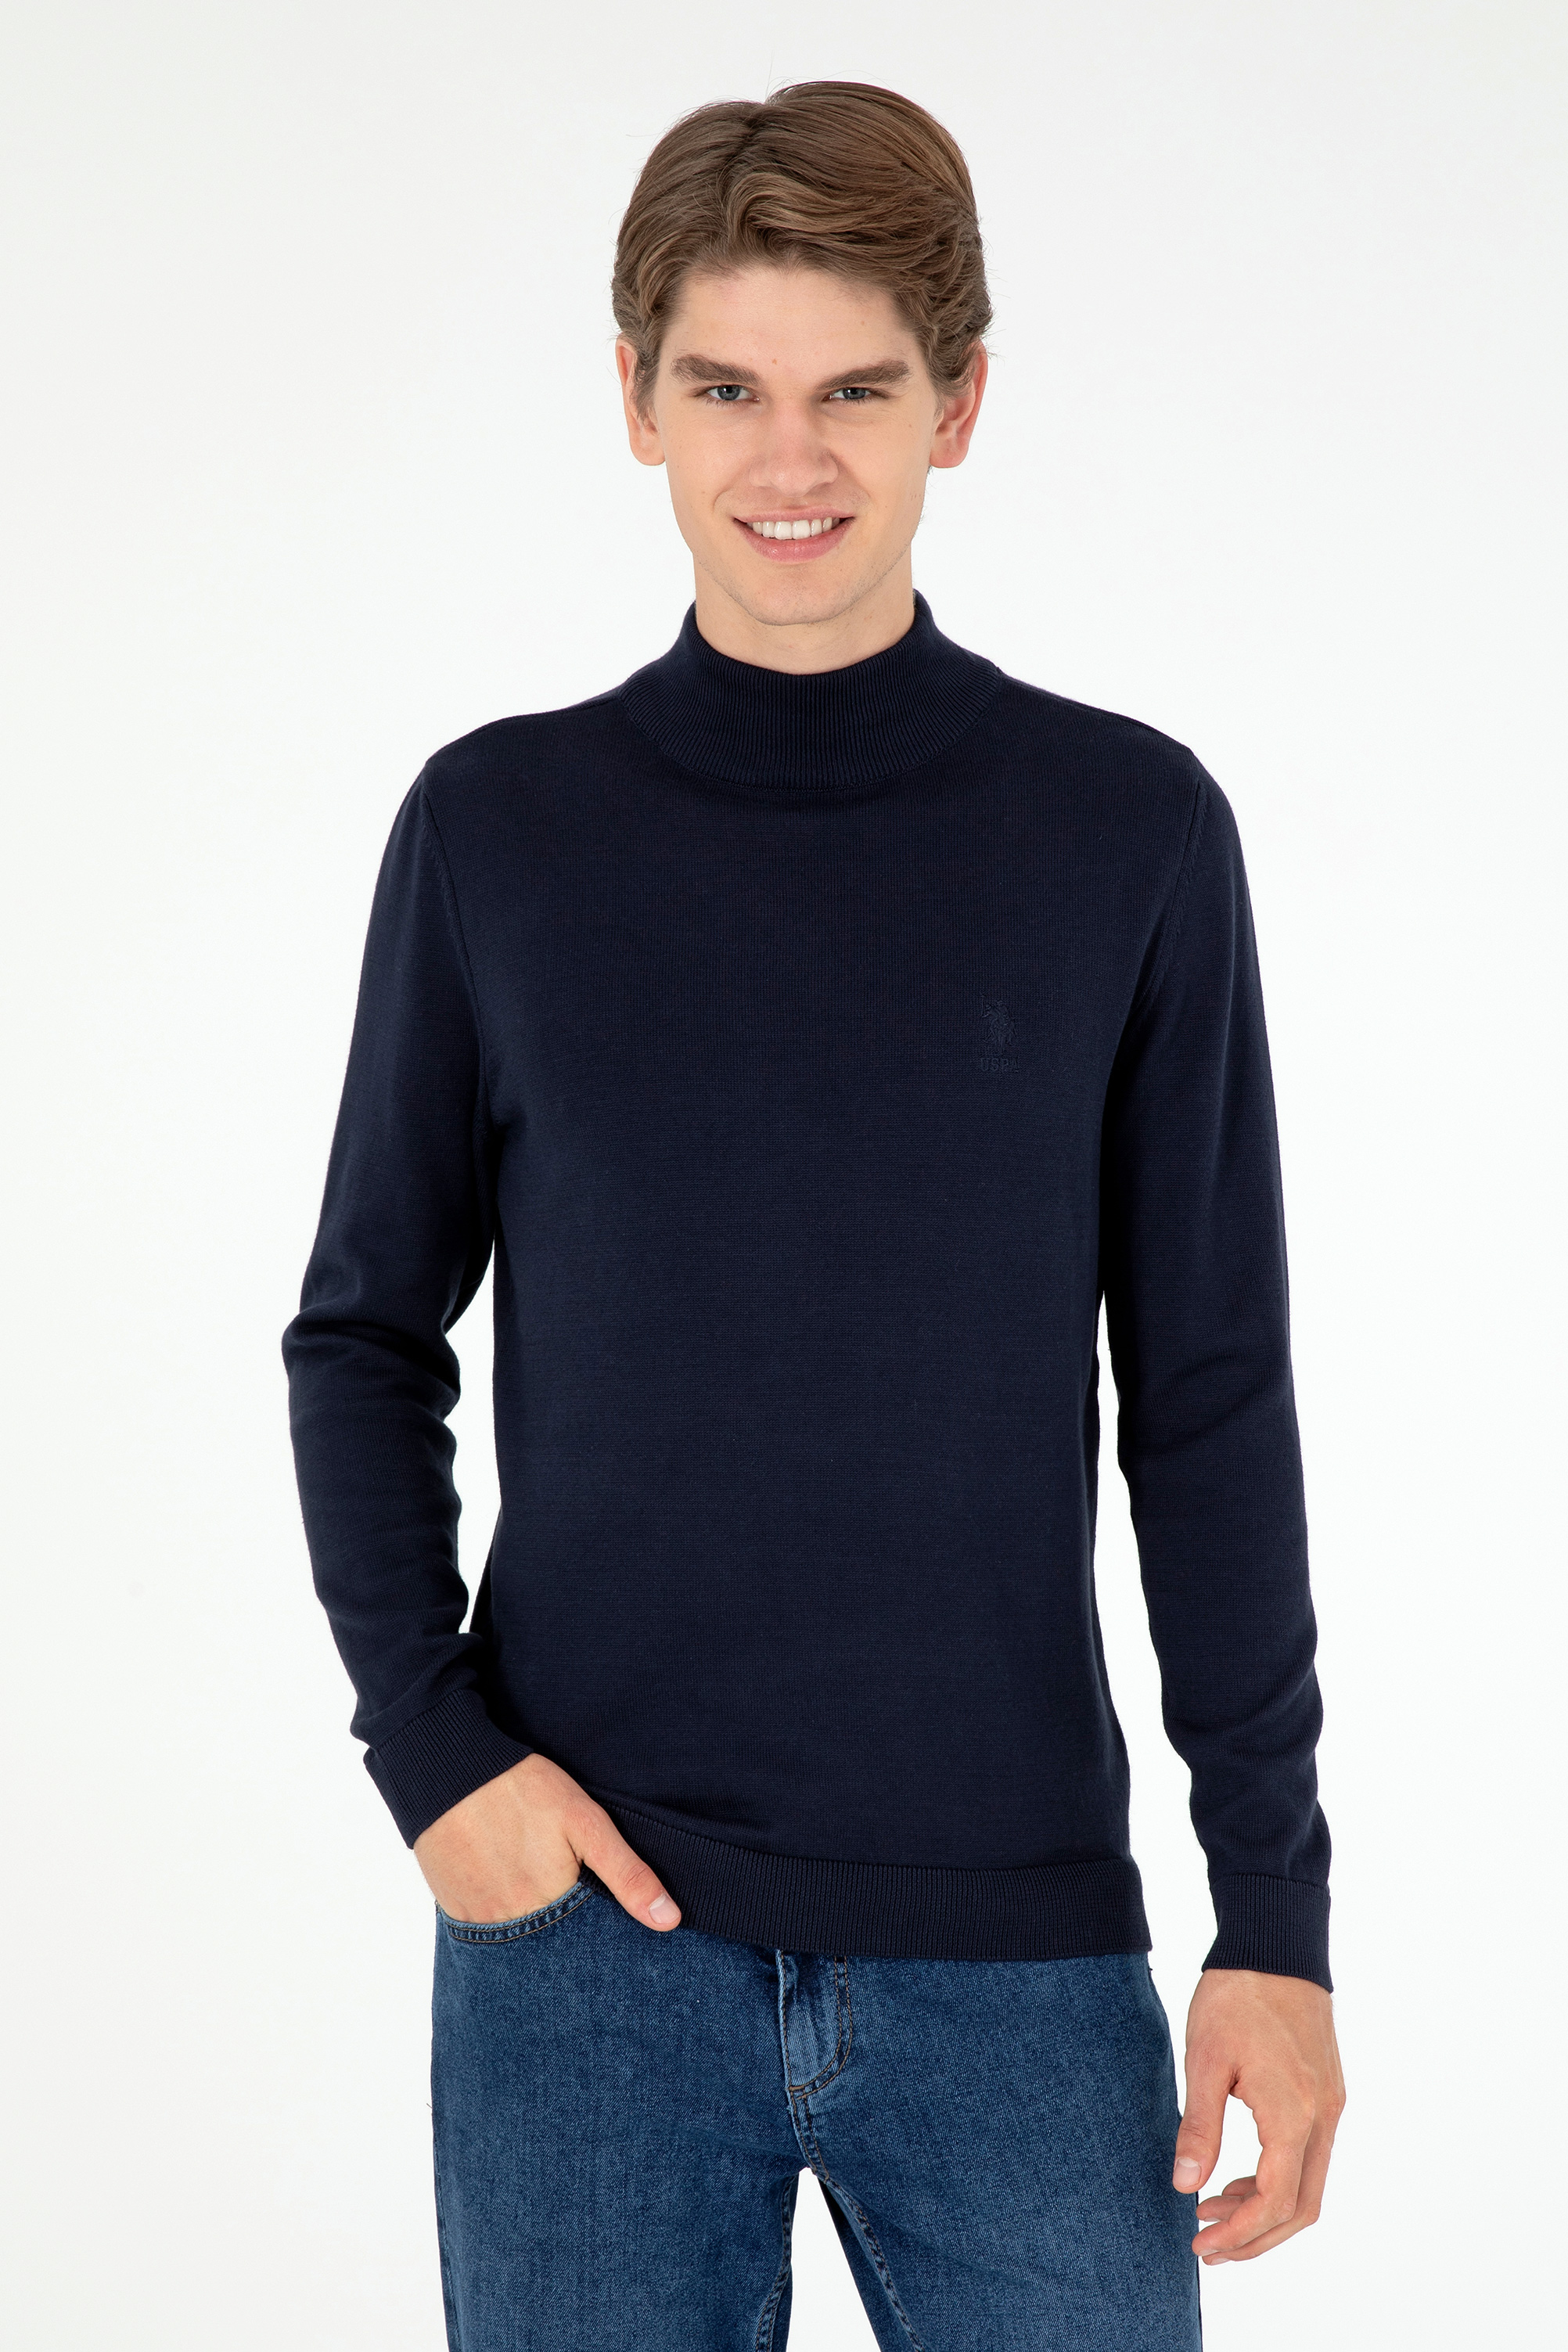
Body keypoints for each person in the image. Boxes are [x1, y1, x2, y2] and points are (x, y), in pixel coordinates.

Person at [282, 80, 1343, 2351]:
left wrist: (1273, 1911)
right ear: (635, 403)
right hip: (583, 1948)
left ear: (958, 405)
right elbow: (362, 1336)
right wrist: (434, 1758)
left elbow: (1209, 1398)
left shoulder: (1127, 834)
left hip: (1019, 1953)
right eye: (725, 390)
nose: (791, 459)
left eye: (855, 391)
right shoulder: (497, 833)